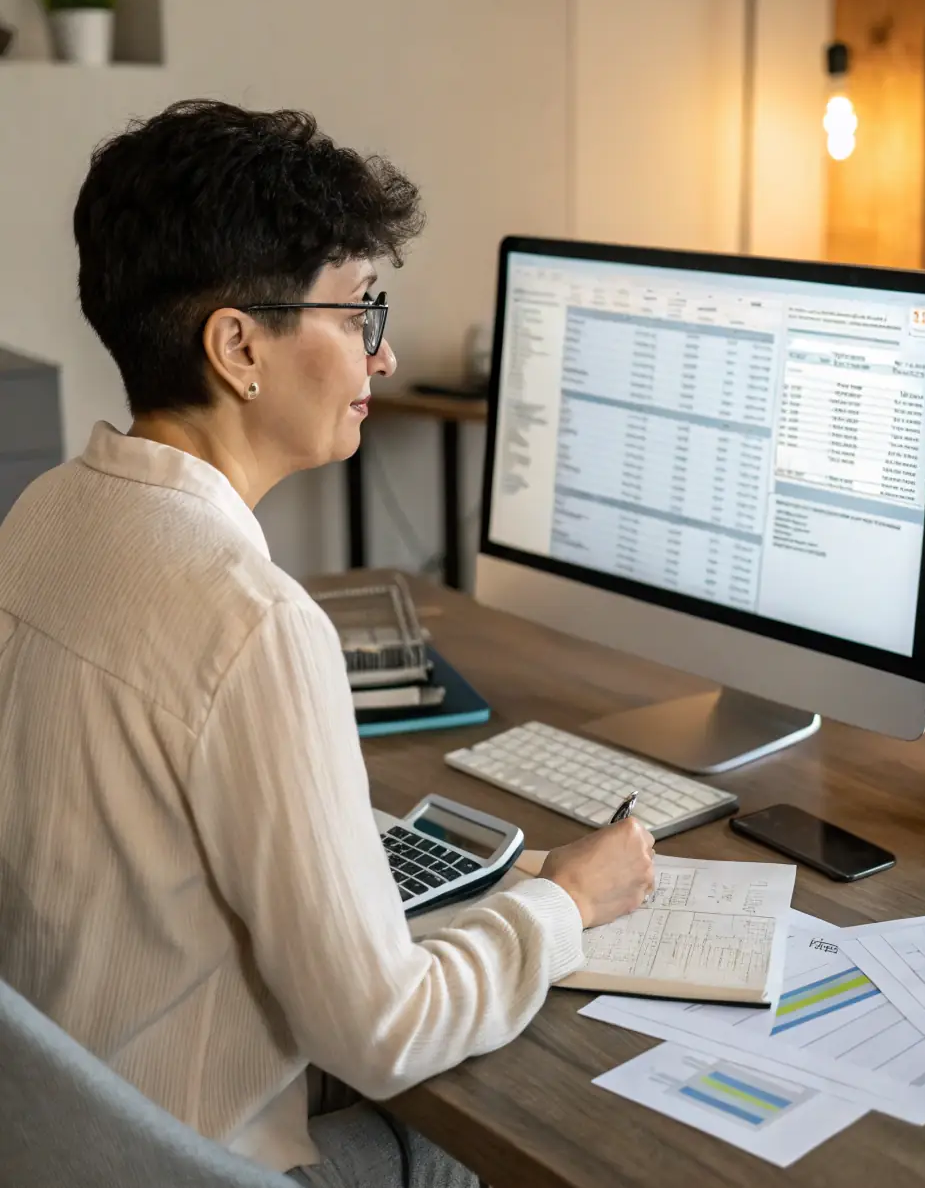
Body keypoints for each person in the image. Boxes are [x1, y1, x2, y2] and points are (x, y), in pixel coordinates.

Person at [0, 101, 656, 1187]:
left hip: (62, 1133)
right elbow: (382, 1031)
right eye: (358, 312)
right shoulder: (252, 622)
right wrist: (566, 901)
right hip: (195, 1158)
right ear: (238, 346)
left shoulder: (43, 518)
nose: (385, 352)